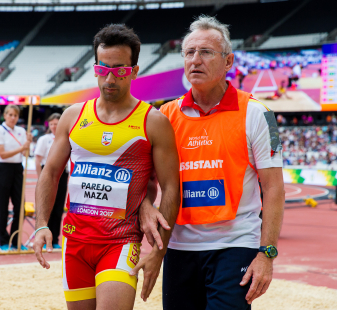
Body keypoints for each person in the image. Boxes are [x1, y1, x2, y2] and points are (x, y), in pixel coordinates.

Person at [33, 24, 180, 310]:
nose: (110, 78)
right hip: (75, 243)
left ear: (134, 71)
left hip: (121, 241)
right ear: (95, 68)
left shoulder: (153, 121)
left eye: (120, 70)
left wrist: (158, 252)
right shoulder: (73, 116)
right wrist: (41, 224)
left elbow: (172, 187)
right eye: (103, 69)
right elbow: (49, 173)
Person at [145, 16, 285, 310]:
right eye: (189, 52)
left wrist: (267, 254)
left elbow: (274, 188)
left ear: (228, 61)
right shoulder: (164, 116)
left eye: (206, 52)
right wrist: (147, 209)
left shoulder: (260, 113)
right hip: (179, 248)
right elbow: (146, 180)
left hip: (235, 246)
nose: (195, 60)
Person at [0, 105, 32, 252]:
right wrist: (22, 148)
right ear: (5, 115)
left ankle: (16, 240)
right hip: (3, 168)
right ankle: (3, 240)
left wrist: (28, 144)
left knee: (20, 206)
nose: (13, 117)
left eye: (15, 115)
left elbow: (26, 152)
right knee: (3, 206)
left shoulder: (22, 131)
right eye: (10, 115)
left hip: (17, 168)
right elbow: (2, 153)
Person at [34, 113, 67, 249]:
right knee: (48, 207)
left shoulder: (67, 138)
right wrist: (40, 177)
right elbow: (37, 159)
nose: (54, 126)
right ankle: (43, 238)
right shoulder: (44, 139)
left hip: (63, 173)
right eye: (52, 124)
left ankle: (55, 240)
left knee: (59, 208)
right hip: (47, 172)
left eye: (56, 123)